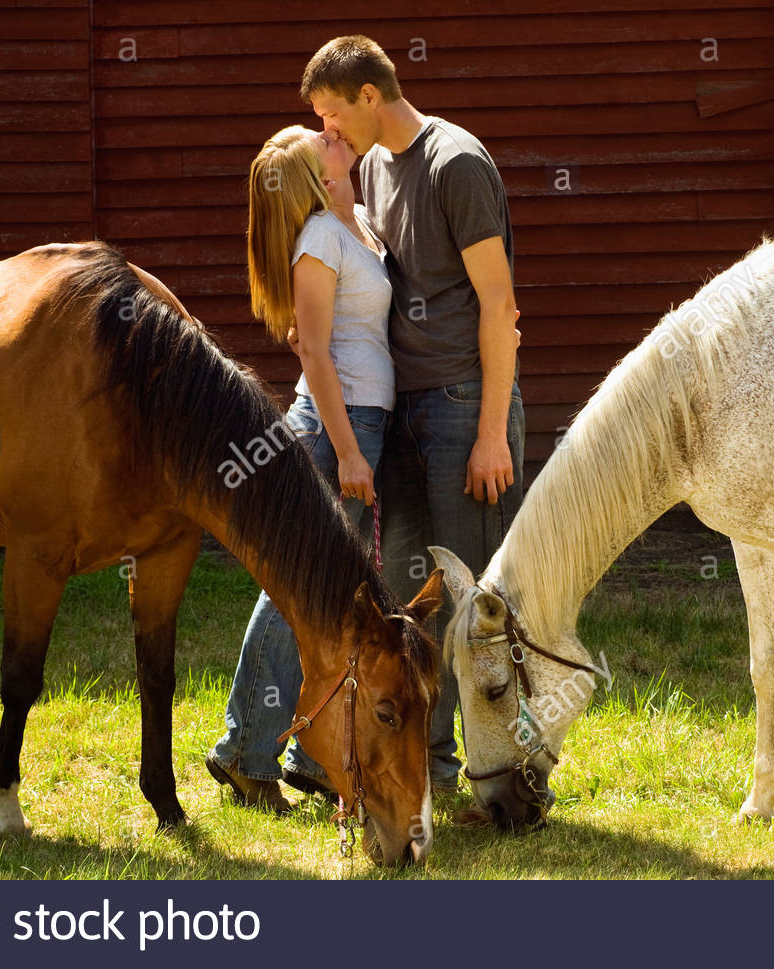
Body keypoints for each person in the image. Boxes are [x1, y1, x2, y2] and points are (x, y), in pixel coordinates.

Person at [299, 36, 525, 791]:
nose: (327, 135)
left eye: (332, 116)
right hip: (403, 412)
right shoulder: (371, 167)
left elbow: (499, 304)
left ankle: (513, 778)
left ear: (370, 95)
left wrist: (493, 430)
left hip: (464, 404)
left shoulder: (454, 163)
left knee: (473, 606)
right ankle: (427, 769)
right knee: (404, 604)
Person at [205, 124, 393, 811]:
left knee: (332, 598)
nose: (333, 134)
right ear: (316, 179)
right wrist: (347, 449)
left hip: (362, 424)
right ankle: (244, 751)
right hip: (331, 430)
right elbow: (313, 351)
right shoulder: (319, 240)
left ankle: (304, 758)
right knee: (292, 596)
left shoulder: (356, 224)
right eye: (322, 143)